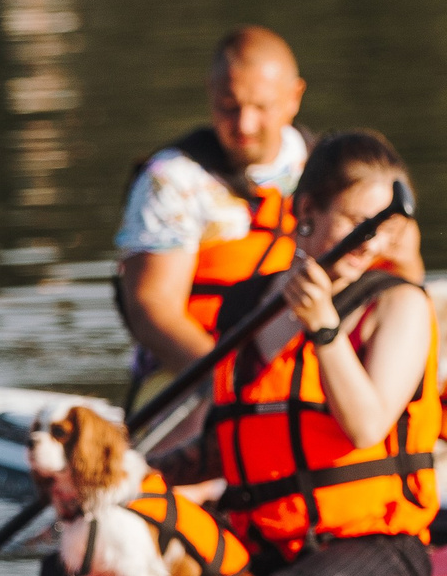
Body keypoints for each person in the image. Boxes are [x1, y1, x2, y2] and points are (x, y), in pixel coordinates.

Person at [205, 131, 439, 576]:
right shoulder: (245, 310)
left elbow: (365, 425)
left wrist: (325, 330)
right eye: (361, 220)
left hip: (380, 551)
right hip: (263, 539)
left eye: (385, 222)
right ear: (306, 213)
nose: (377, 238)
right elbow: (229, 436)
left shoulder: (399, 305)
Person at [114, 26, 312, 385]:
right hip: (194, 382)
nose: (244, 125)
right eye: (229, 107)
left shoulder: (331, 172)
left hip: (310, 375)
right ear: (211, 94)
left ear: (294, 96)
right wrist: (235, 385)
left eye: (260, 107)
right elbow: (152, 309)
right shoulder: (171, 179)